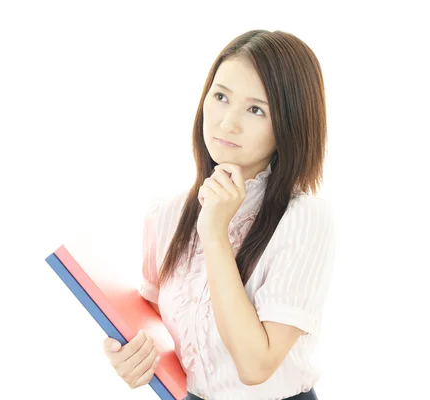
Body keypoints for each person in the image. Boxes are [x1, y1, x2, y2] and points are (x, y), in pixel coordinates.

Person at [103, 29, 336, 400]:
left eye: (256, 109)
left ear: (290, 125)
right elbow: (152, 326)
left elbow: (256, 365)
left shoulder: (303, 219)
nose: (228, 122)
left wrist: (214, 235)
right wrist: (133, 358)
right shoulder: (167, 213)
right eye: (221, 96)